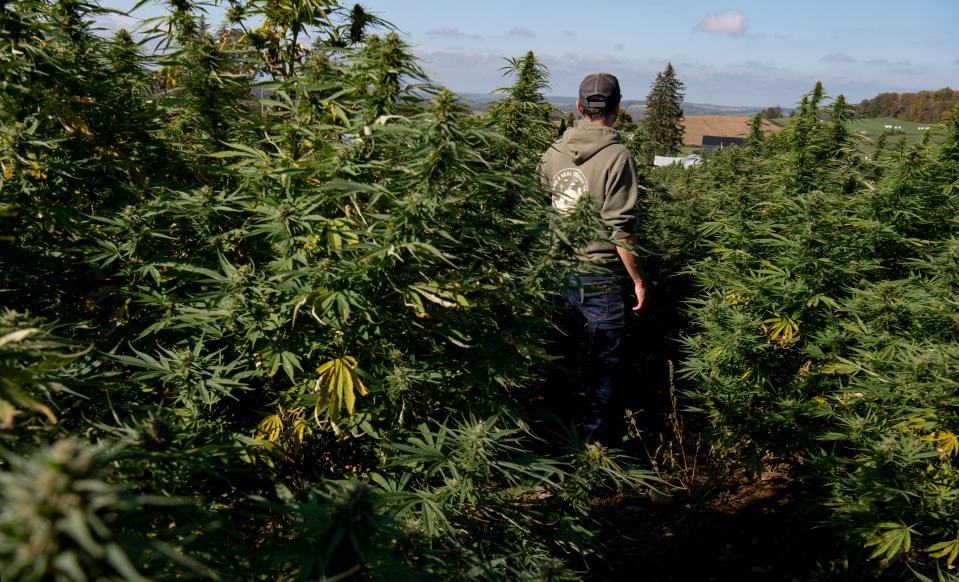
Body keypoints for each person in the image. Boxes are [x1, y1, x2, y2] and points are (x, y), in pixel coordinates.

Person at [539, 72, 646, 440]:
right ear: (618, 108)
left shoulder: (553, 152)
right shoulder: (619, 157)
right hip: (600, 277)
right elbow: (623, 231)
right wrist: (638, 280)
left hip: (556, 272)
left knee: (559, 364)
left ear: (578, 107)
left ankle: (554, 441)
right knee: (605, 367)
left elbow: (540, 208)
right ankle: (595, 447)